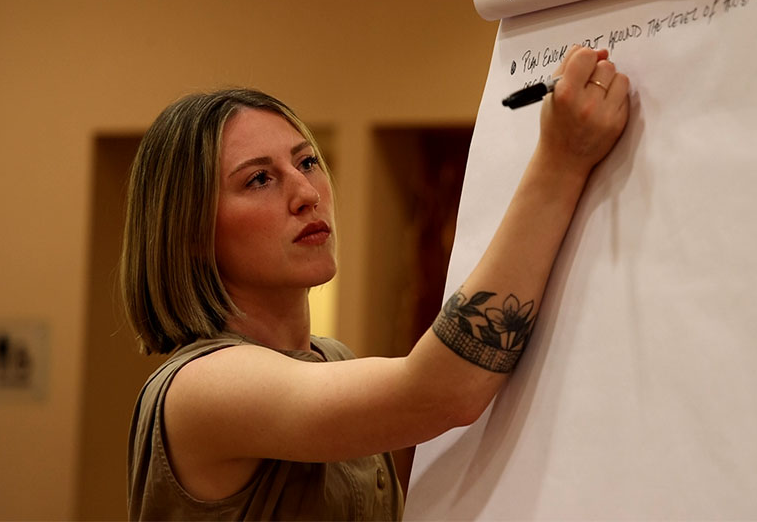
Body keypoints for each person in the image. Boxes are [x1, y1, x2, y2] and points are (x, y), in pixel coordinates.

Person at [123, 45, 630, 520]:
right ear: (189, 231)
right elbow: (442, 391)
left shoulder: (334, 358)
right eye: (259, 179)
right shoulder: (201, 387)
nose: (305, 193)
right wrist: (562, 162)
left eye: (307, 162)